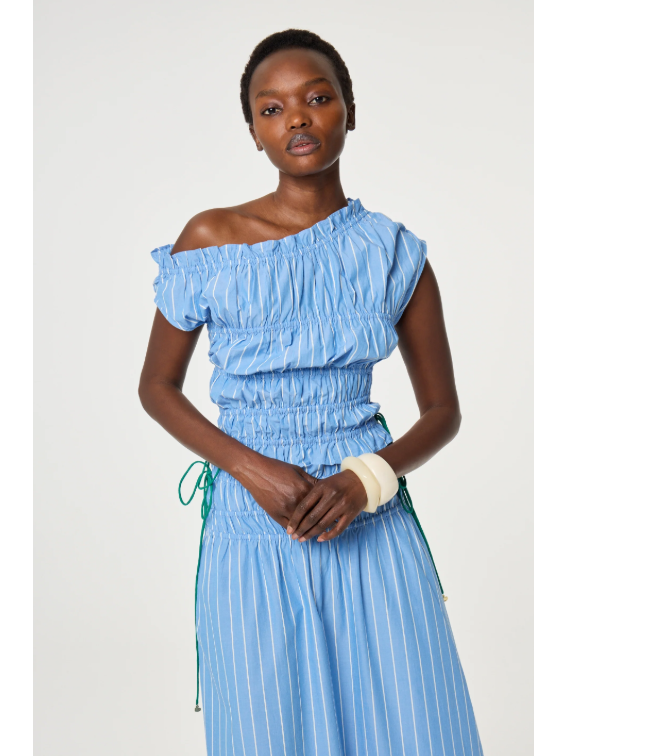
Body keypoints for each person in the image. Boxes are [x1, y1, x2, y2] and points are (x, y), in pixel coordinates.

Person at [139, 28, 484, 756]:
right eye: (271, 109)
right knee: (269, 727)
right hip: (252, 521)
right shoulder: (210, 238)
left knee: (412, 723)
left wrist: (364, 482)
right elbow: (157, 387)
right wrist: (252, 469)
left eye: (317, 98)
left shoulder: (393, 252)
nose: (296, 118)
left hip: (370, 516)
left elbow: (443, 411)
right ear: (254, 132)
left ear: (350, 109)